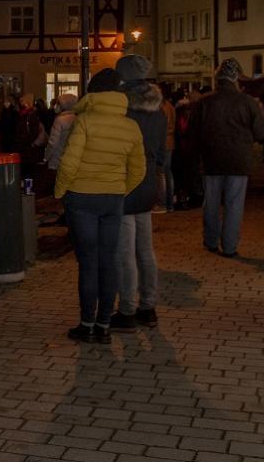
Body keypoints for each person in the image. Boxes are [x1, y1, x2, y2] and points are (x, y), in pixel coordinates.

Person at [55, 68, 145, 344]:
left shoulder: (84, 121)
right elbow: (138, 170)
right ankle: (104, 323)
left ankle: (87, 324)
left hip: (81, 198)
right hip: (112, 199)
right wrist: (119, 189)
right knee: (109, 260)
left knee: (88, 263)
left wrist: (60, 191)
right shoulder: (131, 126)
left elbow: (69, 162)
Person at [188, 59, 264, 257]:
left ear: (217, 78)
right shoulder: (247, 102)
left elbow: (192, 134)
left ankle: (211, 241)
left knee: (211, 203)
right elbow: (261, 133)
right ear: (237, 78)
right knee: (234, 204)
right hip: (239, 161)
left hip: (211, 160)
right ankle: (230, 247)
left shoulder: (203, 102)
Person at [109, 56, 166, 333]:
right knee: (145, 249)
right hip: (148, 181)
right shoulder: (159, 110)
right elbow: (162, 151)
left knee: (125, 252)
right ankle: (148, 307)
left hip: (125, 180)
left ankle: (127, 310)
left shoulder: (121, 109)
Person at [14, 93, 46, 184]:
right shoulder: (25, 115)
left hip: (28, 150)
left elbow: (31, 133)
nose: (21, 103)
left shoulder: (30, 116)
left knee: (28, 174)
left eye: (22, 101)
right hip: (26, 150)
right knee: (27, 173)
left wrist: (24, 142)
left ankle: (28, 190)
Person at [43, 94, 78, 174]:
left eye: (58, 103)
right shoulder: (77, 118)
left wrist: (46, 157)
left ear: (63, 105)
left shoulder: (59, 120)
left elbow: (53, 143)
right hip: (70, 159)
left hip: (57, 159)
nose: (56, 106)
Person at [159, 86, 177, 212]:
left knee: (162, 173)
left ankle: (164, 202)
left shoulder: (160, 108)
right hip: (170, 141)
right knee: (168, 173)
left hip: (162, 142)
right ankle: (169, 203)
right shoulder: (170, 106)